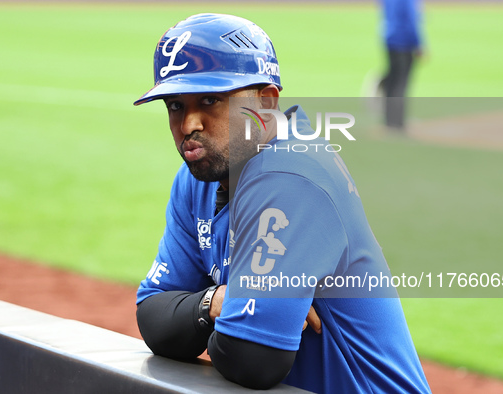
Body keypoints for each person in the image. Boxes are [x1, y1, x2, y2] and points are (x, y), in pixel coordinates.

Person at [134, 13, 431, 393]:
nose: (189, 123)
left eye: (210, 99)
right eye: (175, 105)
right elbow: (153, 317)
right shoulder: (199, 177)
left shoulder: (292, 175)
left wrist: (200, 314)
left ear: (265, 101)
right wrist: (217, 302)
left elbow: (252, 358)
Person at [378, 0, 424, 130]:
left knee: (392, 82)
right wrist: (418, 43)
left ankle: (389, 120)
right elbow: (410, 19)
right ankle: (398, 122)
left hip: (389, 38)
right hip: (404, 41)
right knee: (401, 82)